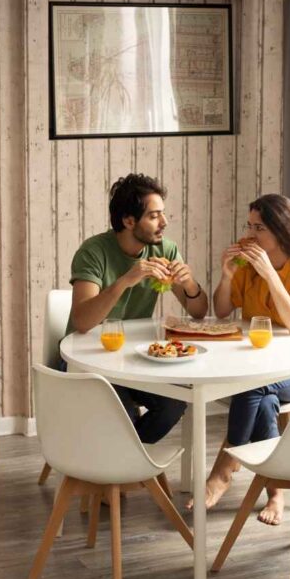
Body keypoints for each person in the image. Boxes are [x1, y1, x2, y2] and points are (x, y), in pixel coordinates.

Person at [192, 193, 290, 525]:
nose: (251, 234)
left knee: (253, 388)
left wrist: (271, 276)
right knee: (263, 397)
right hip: (261, 367)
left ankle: (222, 471)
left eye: (259, 228)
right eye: (250, 226)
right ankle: (276, 491)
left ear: (282, 230)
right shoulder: (248, 266)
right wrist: (228, 274)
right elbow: (222, 311)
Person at [68, 173, 209, 443]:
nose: (164, 222)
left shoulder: (164, 249)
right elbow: (83, 322)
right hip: (86, 359)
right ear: (129, 221)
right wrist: (126, 281)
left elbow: (199, 312)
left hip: (133, 358)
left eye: (163, 214)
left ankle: (123, 467)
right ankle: (120, 471)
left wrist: (189, 283)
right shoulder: (93, 252)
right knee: (121, 411)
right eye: (154, 216)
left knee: (175, 401)